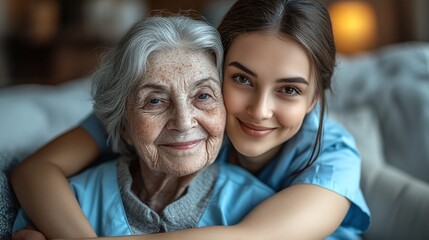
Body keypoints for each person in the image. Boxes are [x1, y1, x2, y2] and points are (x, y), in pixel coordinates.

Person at [11, 0, 371, 239]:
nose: (259, 110)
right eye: (242, 79)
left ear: (315, 98)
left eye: (289, 90)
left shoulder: (333, 159)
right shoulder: (185, 113)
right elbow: (37, 170)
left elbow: (246, 237)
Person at [13, 14, 275, 237]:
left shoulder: (260, 209)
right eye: (156, 100)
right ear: (123, 126)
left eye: (203, 96)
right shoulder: (71, 201)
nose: (184, 122)